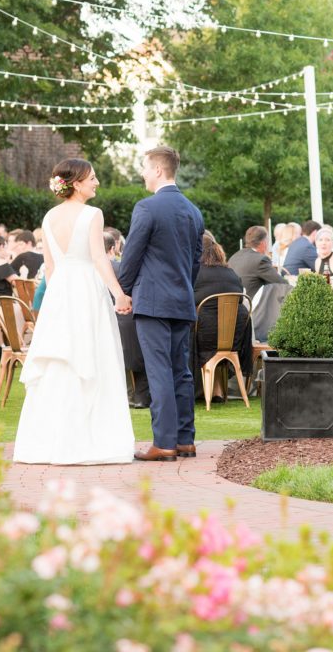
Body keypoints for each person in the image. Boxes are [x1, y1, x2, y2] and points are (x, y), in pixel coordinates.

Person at [13, 159, 134, 465]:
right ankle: (89, 440)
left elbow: (51, 267)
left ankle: (48, 442)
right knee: (92, 355)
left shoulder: (49, 217)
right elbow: (98, 257)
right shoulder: (93, 214)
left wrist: (54, 302)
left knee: (61, 360)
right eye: (92, 178)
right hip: (86, 290)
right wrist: (118, 293)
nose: (96, 183)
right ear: (77, 183)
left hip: (60, 293)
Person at [118, 145, 204, 463]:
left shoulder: (147, 208)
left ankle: (164, 443)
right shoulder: (193, 211)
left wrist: (123, 292)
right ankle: (185, 441)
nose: (142, 173)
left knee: (159, 372)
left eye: (144, 167)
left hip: (153, 302)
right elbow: (196, 261)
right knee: (181, 372)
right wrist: (183, 288)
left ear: (157, 170)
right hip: (182, 301)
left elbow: (132, 255)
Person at [193, 231, 251, 403]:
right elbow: (240, 299)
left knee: (186, 329)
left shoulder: (195, 274)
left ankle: (195, 390)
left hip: (205, 339)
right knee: (210, 321)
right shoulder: (231, 273)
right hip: (234, 338)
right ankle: (217, 390)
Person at [108, 231, 150, 409]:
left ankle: (128, 393)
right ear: (113, 249)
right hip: (127, 327)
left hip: (104, 332)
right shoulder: (121, 269)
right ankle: (140, 396)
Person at [228, 226, 283, 299]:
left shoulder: (234, 257)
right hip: (252, 306)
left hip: (233, 305)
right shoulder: (261, 260)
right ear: (264, 243)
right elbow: (281, 283)